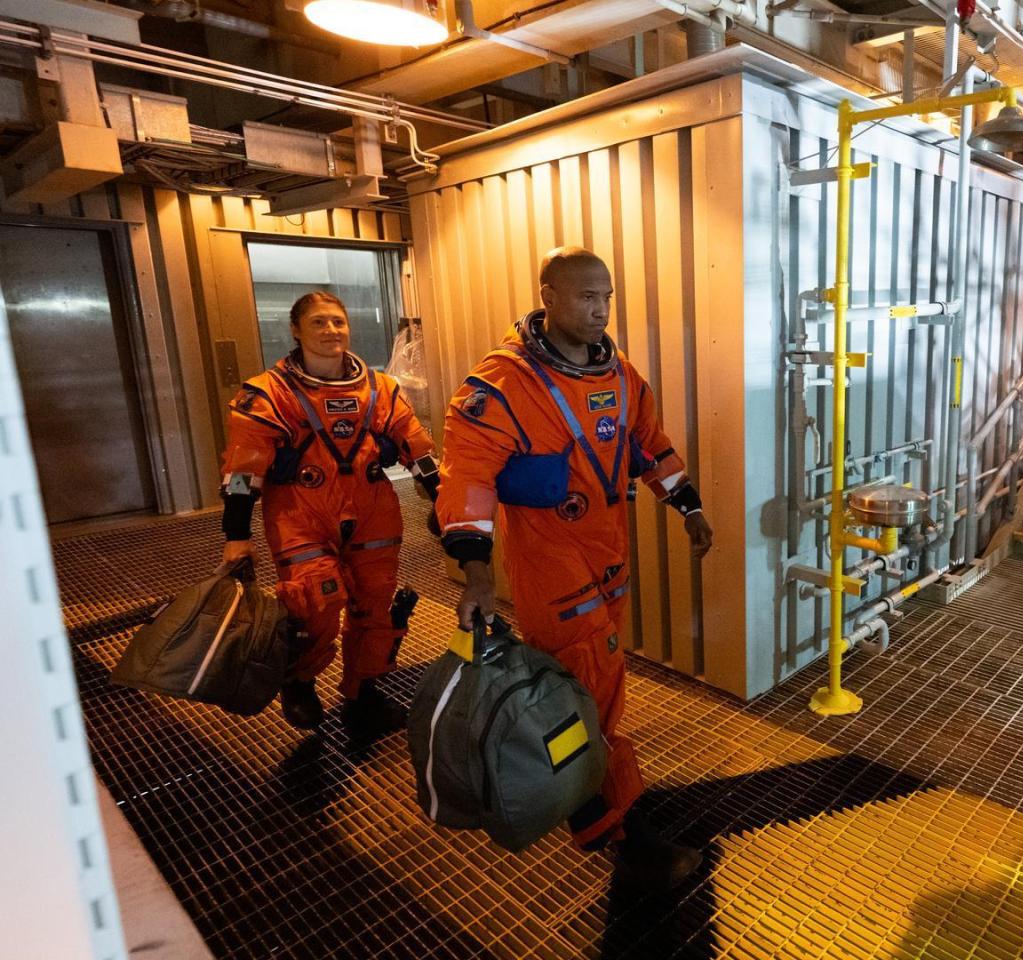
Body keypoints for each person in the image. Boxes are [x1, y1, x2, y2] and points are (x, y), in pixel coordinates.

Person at [435, 247, 714, 887]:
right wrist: (476, 572)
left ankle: (591, 805)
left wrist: (688, 508)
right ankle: (617, 829)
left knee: (597, 684)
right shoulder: (502, 388)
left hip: (610, 554)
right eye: (586, 297)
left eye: (607, 297)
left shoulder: (618, 376)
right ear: (548, 297)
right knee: (589, 691)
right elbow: (468, 480)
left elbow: (651, 447)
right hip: (553, 567)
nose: (600, 310)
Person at [219, 291, 438, 735]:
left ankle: (364, 692)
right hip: (302, 515)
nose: (330, 331)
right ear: (296, 330)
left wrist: (444, 503)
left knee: (376, 606)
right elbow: (242, 474)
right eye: (318, 323)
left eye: (338, 322)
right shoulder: (268, 395)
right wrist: (235, 536)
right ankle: (299, 678)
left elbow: (420, 452)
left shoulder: (381, 390)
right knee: (316, 602)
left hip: (373, 512)